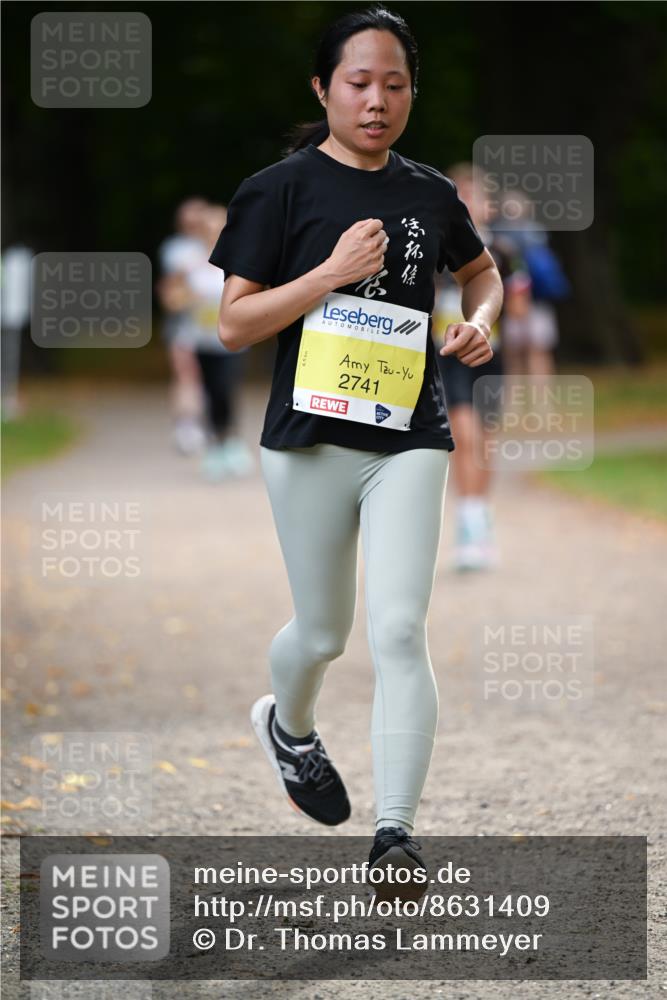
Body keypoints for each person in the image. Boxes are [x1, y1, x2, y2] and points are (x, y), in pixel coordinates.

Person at [209, 4, 503, 899]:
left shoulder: (428, 193)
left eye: (394, 84)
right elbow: (231, 325)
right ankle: (289, 727)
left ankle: (394, 834)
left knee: (399, 626)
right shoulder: (278, 189)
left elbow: (481, 272)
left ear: (411, 93)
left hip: (408, 433)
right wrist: (327, 276)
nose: (377, 100)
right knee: (325, 632)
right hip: (307, 440)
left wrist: (478, 322)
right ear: (323, 88)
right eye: (358, 83)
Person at [433, 163, 527, 570]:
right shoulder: (436, 247)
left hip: (491, 357)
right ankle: (468, 522)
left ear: (490, 207)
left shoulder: (504, 253)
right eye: (462, 197)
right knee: (463, 438)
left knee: (485, 443)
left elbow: (520, 310)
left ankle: (480, 516)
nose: (471, 204)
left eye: (477, 197)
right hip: (448, 357)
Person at [156, 199, 209, 455]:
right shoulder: (176, 249)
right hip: (185, 325)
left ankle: (210, 424)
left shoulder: (220, 244)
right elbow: (172, 289)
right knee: (187, 376)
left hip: (213, 328)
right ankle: (187, 425)